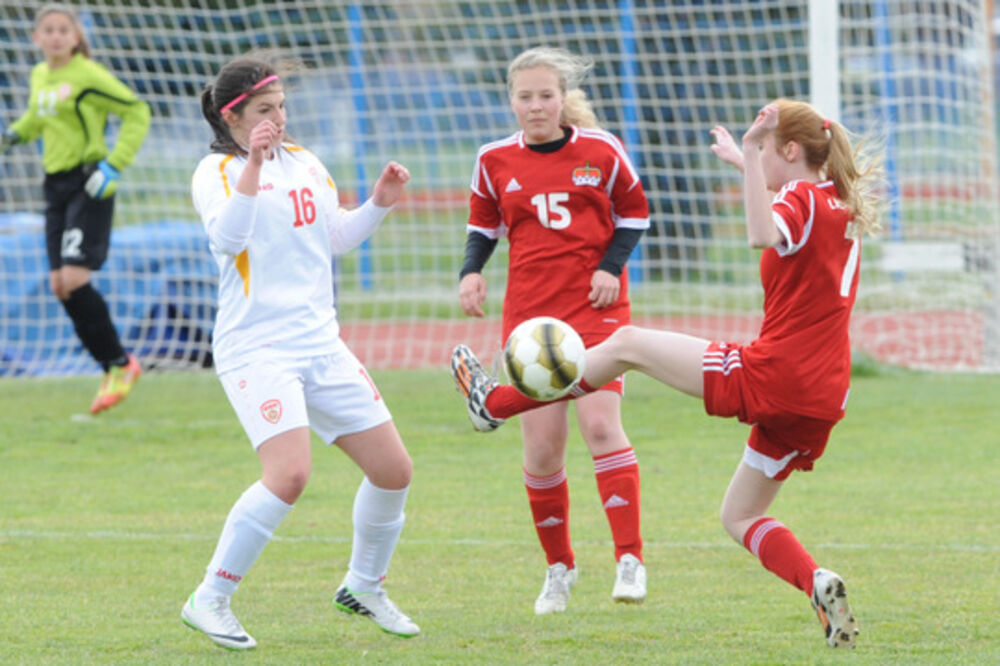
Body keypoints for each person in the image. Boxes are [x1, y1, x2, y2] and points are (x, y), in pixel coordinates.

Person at [452, 98, 884, 648]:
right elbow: (789, 203)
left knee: (627, 342)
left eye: (769, 153)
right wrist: (745, 159)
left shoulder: (796, 197)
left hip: (776, 375)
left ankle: (494, 406)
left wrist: (751, 151)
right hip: (825, 396)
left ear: (790, 151)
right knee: (740, 515)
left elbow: (763, 231)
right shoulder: (836, 201)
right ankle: (816, 582)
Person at [183, 55, 419, 650]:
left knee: (394, 472)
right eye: (265, 111)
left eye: (283, 106)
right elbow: (226, 239)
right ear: (232, 116)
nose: (279, 118)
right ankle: (209, 598)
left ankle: (363, 586)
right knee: (289, 474)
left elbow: (334, 238)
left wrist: (380, 202)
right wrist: (254, 165)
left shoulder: (307, 161)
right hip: (257, 346)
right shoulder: (215, 171)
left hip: (321, 343)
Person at [454, 47, 651, 615]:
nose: (535, 105)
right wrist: (471, 273)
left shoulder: (601, 150)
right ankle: (559, 569)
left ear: (562, 99)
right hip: (531, 318)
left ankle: (629, 559)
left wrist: (610, 268)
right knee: (542, 449)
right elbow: (482, 226)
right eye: (525, 96)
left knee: (600, 424)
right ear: (511, 100)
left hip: (596, 307)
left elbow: (634, 213)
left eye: (546, 95)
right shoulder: (493, 159)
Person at [0, 3, 149, 413]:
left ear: (76, 36)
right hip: (55, 188)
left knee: (74, 277)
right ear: (36, 37)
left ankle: (120, 365)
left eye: (63, 29)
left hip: (89, 182)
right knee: (59, 285)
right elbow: (37, 118)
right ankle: (113, 366)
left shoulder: (87, 75)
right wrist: (12, 136)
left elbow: (137, 110)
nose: (55, 36)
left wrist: (114, 164)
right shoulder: (39, 75)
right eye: (47, 29)